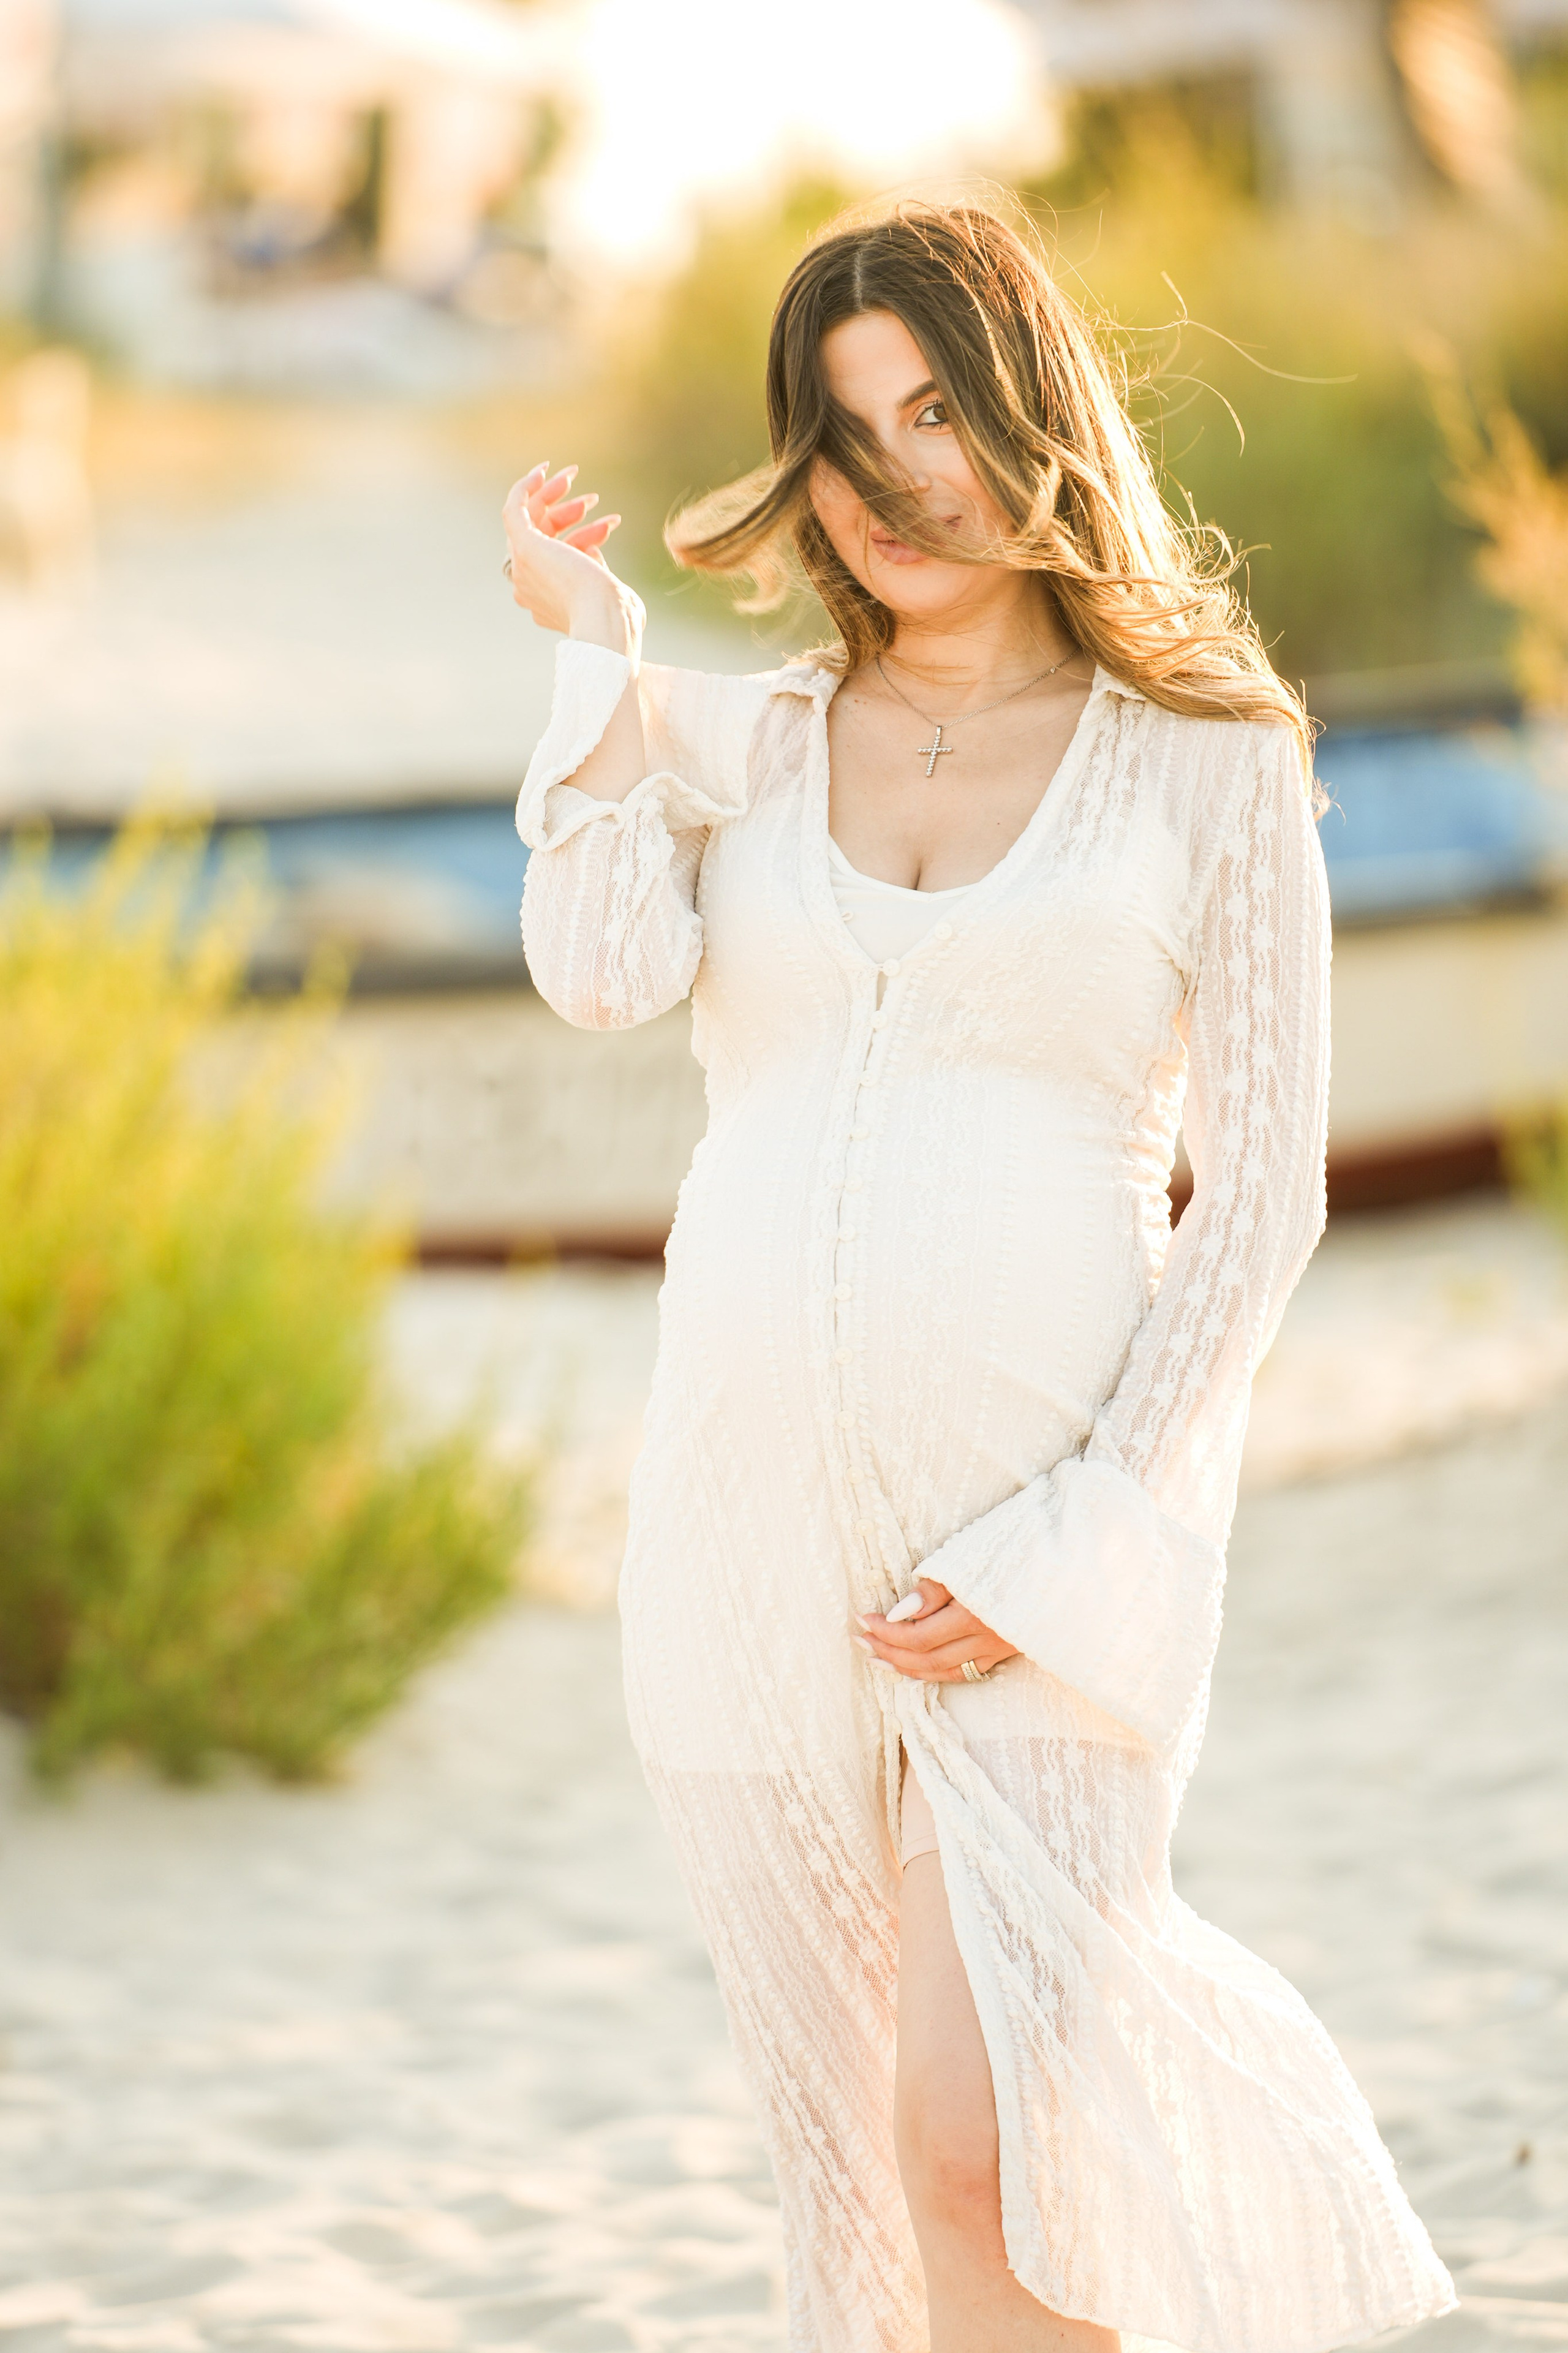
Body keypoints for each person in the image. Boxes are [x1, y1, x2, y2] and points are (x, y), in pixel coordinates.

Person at [502, 201, 1455, 2353]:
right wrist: (595, 663)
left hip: (1047, 1553)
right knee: (854, 2173)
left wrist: (1077, 1530)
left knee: (992, 2145)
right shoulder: (753, 734)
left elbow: (1269, 1196)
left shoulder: (1210, 760)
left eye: (938, 407)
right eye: (843, 436)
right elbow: (600, 969)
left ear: (1031, 410)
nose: (896, 479)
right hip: (745, 1537)